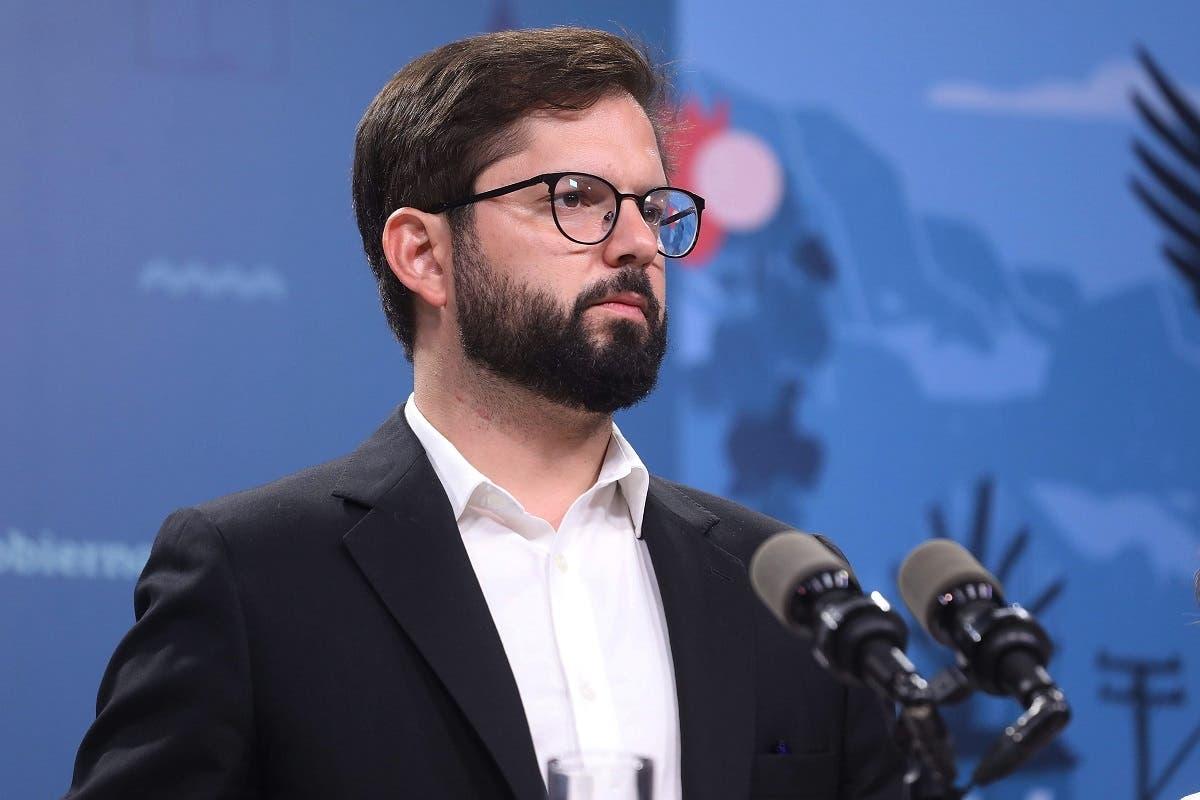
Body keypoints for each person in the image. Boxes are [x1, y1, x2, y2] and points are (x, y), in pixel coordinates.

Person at [63, 26, 903, 800]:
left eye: (652, 207)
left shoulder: (785, 588)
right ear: (423, 255)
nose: (639, 243)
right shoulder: (253, 578)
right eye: (577, 197)